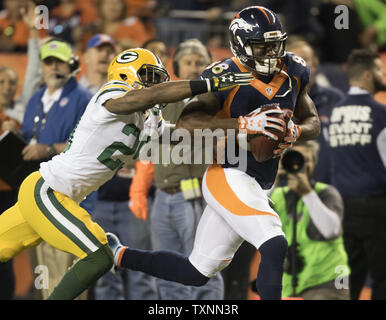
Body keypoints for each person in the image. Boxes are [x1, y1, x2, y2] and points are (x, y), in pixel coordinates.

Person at [0, 46, 251, 300]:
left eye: (158, 79)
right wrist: (203, 84)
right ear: (126, 74)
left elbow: (181, 134)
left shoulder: (147, 118)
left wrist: (241, 127)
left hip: (59, 196)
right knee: (98, 257)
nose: (156, 85)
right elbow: (137, 99)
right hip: (49, 191)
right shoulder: (113, 93)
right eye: (150, 77)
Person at [106, 6, 320, 300]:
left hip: (260, 180)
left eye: (275, 45)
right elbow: (186, 124)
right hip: (229, 173)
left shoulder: (294, 69)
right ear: (241, 45)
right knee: (273, 243)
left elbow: (313, 122)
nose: (271, 53)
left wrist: (296, 130)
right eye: (262, 46)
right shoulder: (225, 75)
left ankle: (117, 254)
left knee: (195, 272)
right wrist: (244, 123)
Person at [131, 38, 224, 300]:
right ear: (177, 67)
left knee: (205, 269)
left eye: (200, 62)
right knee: (167, 272)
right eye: (189, 62)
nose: (194, 68)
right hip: (162, 197)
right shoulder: (163, 100)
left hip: (200, 196)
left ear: (209, 66)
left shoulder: (217, 101)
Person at [326, 49, 386, 300]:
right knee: (383, 279)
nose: (383, 74)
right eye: (379, 70)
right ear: (367, 75)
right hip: (376, 208)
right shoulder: (381, 114)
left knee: (349, 279)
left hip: (343, 208)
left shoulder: (335, 112)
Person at [270, 140, 350, 299]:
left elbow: (330, 230)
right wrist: (271, 177)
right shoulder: (278, 195)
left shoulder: (326, 192)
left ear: (314, 163)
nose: (300, 166)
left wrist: (306, 192)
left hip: (329, 281)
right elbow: (248, 214)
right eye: (294, 159)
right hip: (289, 284)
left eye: (306, 160)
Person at [286, 38, 344, 184]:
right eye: (295, 61)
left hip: (330, 184)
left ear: (316, 63)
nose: (302, 65)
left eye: (306, 59)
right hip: (287, 185)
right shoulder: (275, 102)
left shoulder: (335, 99)